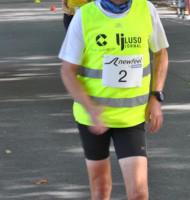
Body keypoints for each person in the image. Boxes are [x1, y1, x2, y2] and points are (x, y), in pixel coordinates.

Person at [59, 0, 169, 199]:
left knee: (138, 193)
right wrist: (91, 109)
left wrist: (156, 96)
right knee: (101, 189)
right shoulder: (84, 16)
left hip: (131, 117)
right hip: (92, 117)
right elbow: (67, 71)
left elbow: (161, 53)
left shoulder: (146, 9)